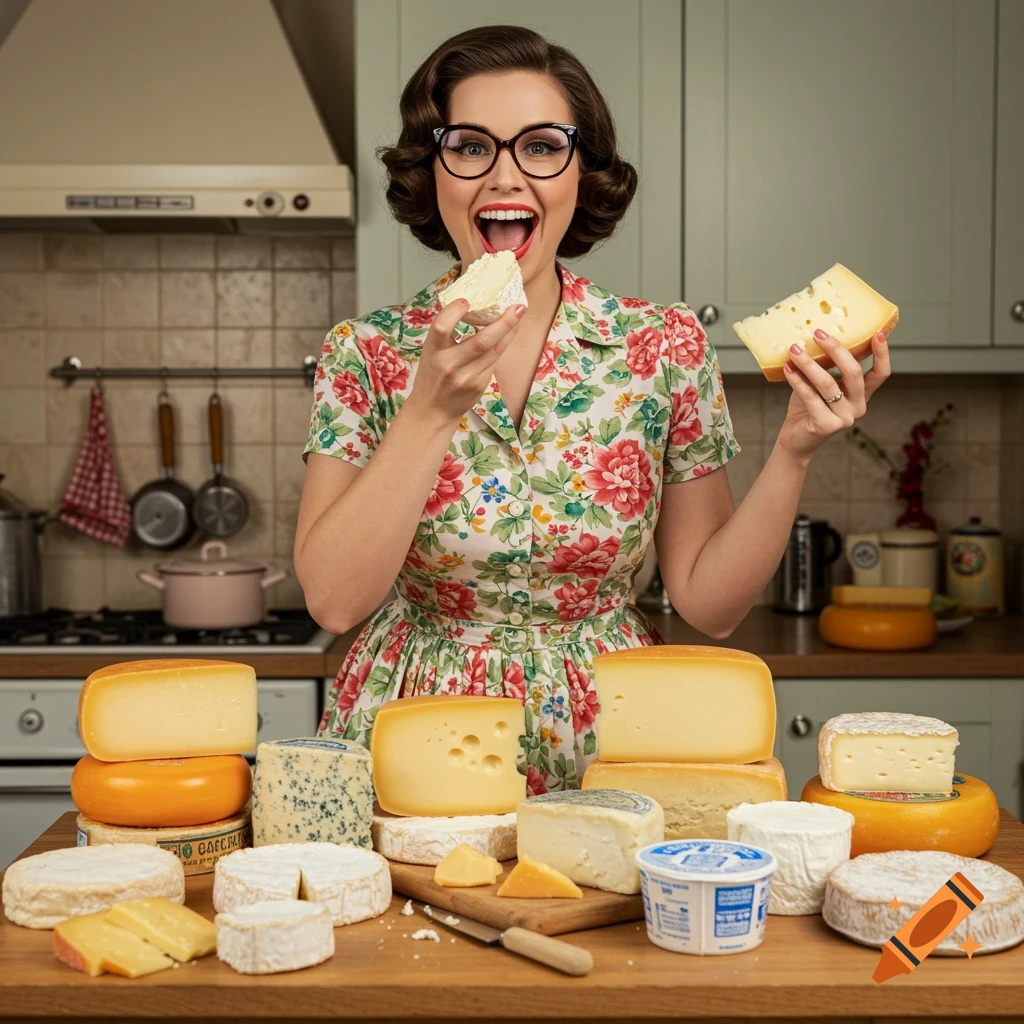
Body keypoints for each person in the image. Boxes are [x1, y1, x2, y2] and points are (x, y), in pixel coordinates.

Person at [294, 25, 890, 793]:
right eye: (470, 147)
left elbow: (709, 605)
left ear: (581, 172)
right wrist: (429, 414)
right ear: (432, 170)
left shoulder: (663, 346)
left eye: (541, 146)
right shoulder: (365, 352)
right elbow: (334, 601)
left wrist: (795, 450)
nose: (505, 176)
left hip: (607, 734)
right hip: (413, 735)